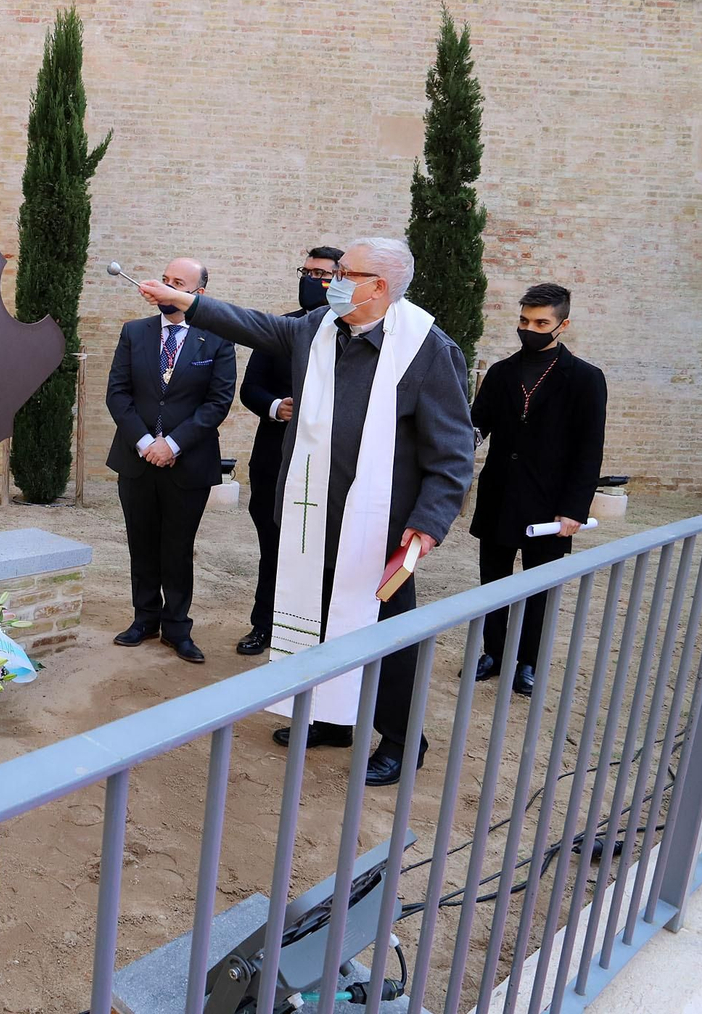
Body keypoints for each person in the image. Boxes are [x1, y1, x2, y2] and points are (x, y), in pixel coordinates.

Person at [138, 238, 473, 786]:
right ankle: (329, 716)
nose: (332, 280)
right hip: (311, 515)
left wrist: (429, 523)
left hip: (380, 529)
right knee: (314, 623)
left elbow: (453, 450)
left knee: (388, 634)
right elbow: (251, 325)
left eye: (345, 273)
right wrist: (187, 301)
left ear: (379, 287)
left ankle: (400, 736)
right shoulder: (318, 328)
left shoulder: (427, 350)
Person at [470, 283, 607, 695]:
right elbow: (477, 426)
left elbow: (589, 450)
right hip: (498, 497)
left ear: (563, 324)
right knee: (492, 582)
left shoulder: (585, 379)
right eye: (525, 321)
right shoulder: (501, 372)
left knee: (540, 588)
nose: (530, 328)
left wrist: (573, 510)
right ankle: (493, 652)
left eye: (541, 322)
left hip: (550, 506)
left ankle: (527, 661)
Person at [106, 258, 237, 663]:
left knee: (178, 549)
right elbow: (118, 393)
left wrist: (173, 444)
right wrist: (146, 442)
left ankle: (177, 628)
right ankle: (144, 619)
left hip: (189, 464)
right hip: (136, 459)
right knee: (141, 543)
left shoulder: (216, 338)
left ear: (197, 294)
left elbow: (218, 402)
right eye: (164, 280)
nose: (165, 288)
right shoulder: (135, 333)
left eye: (177, 283)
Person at [237, 246, 342, 657]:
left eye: (321, 275)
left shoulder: (358, 333)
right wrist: (275, 406)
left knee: (323, 556)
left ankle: (314, 633)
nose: (311, 280)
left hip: (330, 467)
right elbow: (251, 388)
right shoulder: (281, 328)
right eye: (307, 271)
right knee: (273, 547)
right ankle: (264, 625)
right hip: (275, 458)